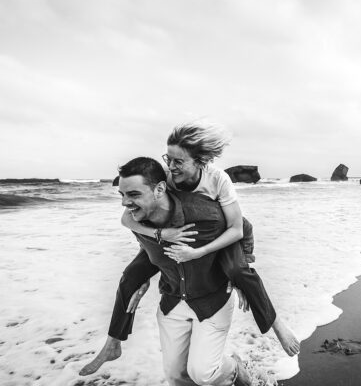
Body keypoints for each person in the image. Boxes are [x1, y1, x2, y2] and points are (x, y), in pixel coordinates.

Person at [122, 123, 299, 356]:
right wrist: (159, 238)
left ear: (200, 161)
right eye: (168, 159)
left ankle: (276, 324)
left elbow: (236, 229)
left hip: (223, 233)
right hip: (175, 234)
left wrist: (201, 252)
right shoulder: (165, 179)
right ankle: (115, 341)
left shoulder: (217, 179)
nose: (171, 167)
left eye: (178, 161)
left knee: (238, 271)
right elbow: (128, 218)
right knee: (133, 274)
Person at [80, 157, 251, 385]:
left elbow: (243, 227)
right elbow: (136, 233)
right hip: (172, 301)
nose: (125, 203)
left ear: (160, 189)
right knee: (175, 377)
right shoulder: (137, 216)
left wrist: (242, 267)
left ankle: (234, 367)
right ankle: (113, 342)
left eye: (133, 194)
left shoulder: (198, 207)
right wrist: (152, 259)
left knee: (202, 374)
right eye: (122, 195)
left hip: (212, 301)